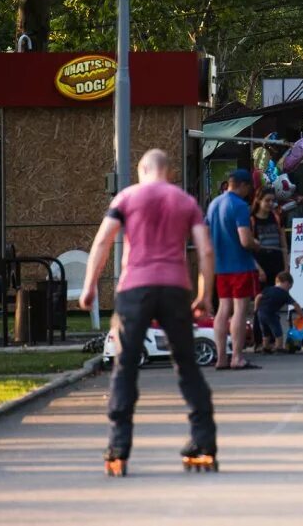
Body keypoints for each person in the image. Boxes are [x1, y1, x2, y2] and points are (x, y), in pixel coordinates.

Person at [79, 149, 216, 471]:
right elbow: (206, 251)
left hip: (133, 289)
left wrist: (89, 285)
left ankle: (118, 447)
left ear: (142, 170)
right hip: (175, 288)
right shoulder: (184, 201)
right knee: (186, 364)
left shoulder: (126, 197)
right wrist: (204, 294)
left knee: (125, 366)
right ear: (167, 172)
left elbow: (102, 241)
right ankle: (203, 440)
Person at [207, 169, 263, 370]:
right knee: (239, 310)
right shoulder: (239, 206)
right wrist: (256, 244)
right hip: (240, 264)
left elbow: (206, 235)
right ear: (243, 185)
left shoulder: (213, 205)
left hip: (220, 266)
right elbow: (245, 240)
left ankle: (221, 357)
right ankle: (237, 357)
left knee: (223, 310)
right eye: (249, 188)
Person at [250, 187, 288, 352]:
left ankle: (273, 340)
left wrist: (286, 265)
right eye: (267, 200)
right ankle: (259, 341)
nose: (270, 204)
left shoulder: (275, 217)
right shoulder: (251, 220)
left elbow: (283, 242)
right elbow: (248, 248)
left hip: (276, 262)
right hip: (260, 264)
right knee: (260, 304)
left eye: (272, 200)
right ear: (258, 200)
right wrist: (258, 269)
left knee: (274, 303)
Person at [255, 271, 303, 353]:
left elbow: (258, 297)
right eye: (289, 287)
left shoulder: (268, 289)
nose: (289, 289)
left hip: (261, 313)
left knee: (265, 331)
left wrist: (256, 309)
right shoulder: (284, 293)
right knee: (278, 331)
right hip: (271, 314)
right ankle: (279, 346)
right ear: (286, 283)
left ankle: (265, 347)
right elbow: (296, 305)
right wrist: (301, 315)